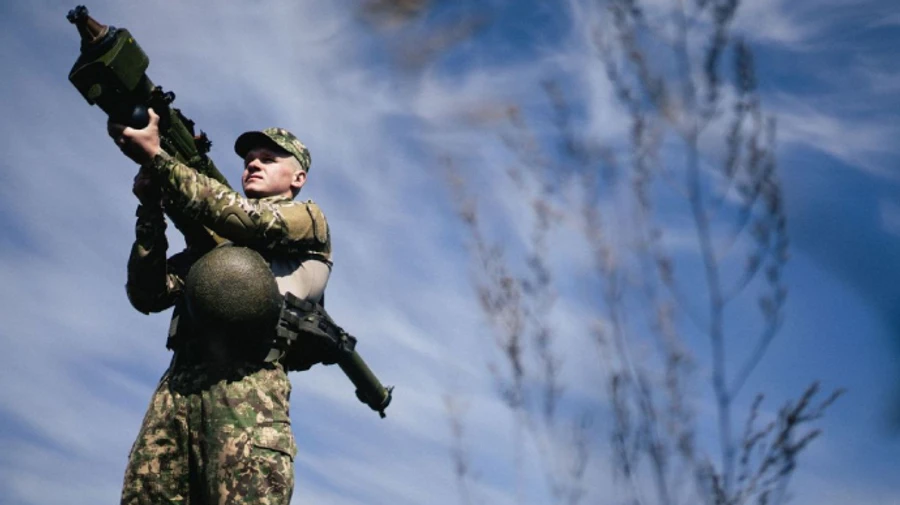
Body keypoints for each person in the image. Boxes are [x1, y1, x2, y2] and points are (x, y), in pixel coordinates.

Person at [108, 108, 331, 505]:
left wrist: (158, 160)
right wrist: (150, 211)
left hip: (248, 391)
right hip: (177, 391)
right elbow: (148, 294)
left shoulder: (308, 221)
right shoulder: (216, 245)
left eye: (268, 158)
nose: (253, 165)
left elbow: (246, 220)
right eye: (248, 161)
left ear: (298, 178)